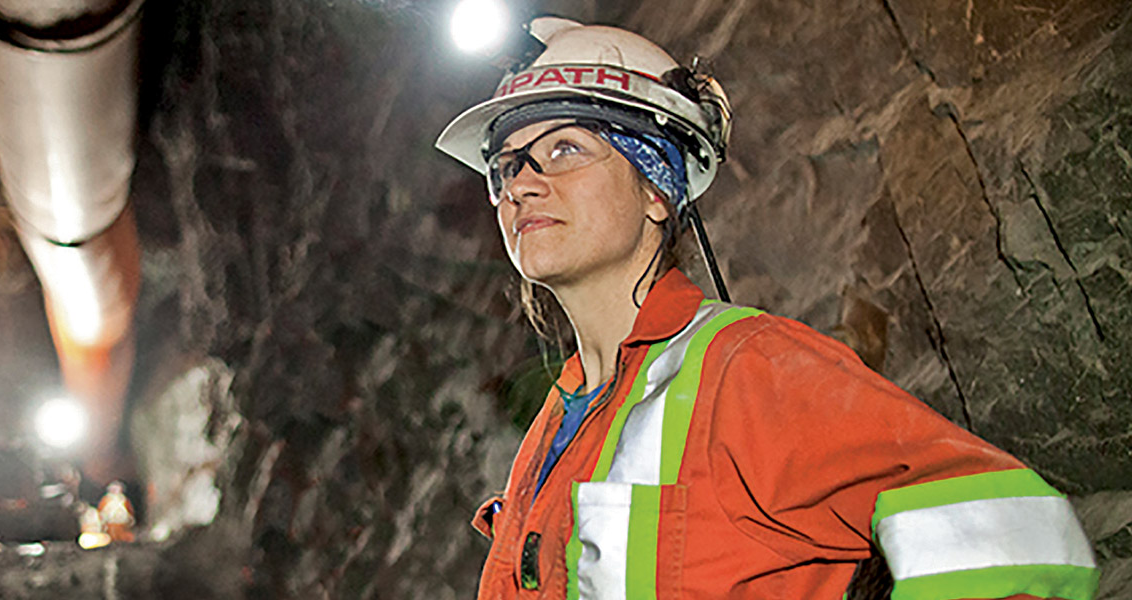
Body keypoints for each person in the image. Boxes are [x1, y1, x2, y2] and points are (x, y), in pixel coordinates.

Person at [436, 17, 1098, 600]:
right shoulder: (552, 436)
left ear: (657, 191)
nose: (521, 184)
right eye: (507, 164)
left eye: (564, 150)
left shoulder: (747, 370)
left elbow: (1016, 535)